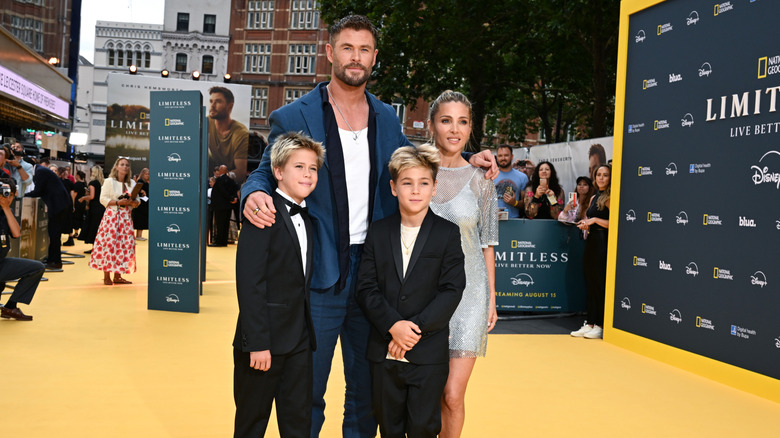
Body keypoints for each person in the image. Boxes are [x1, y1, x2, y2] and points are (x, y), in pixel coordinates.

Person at [240, 15, 497, 437]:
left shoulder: (387, 118)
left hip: (376, 277)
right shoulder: (293, 115)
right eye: (347, 48)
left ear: (373, 58)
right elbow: (265, 171)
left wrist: (469, 161)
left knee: (368, 392)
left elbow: (419, 166)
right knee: (307, 390)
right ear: (330, 53)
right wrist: (253, 193)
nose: (355, 58)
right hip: (318, 273)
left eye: (364, 50)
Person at [356, 144, 466, 438]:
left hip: (427, 353)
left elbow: (452, 290)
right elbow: (366, 288)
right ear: (393, 188)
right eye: (407, 183)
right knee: (388, 427)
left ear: (434, 187)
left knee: (424, 427)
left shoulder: (447, 233)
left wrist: (412, 330)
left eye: (423, 183)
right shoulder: (378, 232)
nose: (415, 191)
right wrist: (393, 326)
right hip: (384, 352)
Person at [233, 132, 324, 437]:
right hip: (263, 342)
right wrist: (258, 343)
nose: (307, 174)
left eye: (312, 168)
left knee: (298, 424)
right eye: (299, 167)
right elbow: (250, 283)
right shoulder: (262, 213)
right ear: (278, 172)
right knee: (252, 423)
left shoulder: (309, 219)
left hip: (299, 342)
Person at [425, 90, 498, 438]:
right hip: (423, 295)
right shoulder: (416, 171)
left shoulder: (483, 181)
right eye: (446, 120)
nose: (454, 129)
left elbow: (487, 244)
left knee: (453, 395)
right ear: (432, 125)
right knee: (427, 394)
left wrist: (492, 298)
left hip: (470, 297)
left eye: (463, 121)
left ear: (470, 129)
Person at [572, 165, 611, 340]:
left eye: (605, 175)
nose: (601, 178)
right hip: (592, 241)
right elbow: (591, 219)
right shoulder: (594, 197)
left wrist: (594, 220)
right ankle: (590, 322)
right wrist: (586, 223)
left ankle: (601, 324)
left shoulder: (611, 197)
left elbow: (615, 223)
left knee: (600, 284)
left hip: (604, 242)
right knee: (590, 282)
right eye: (599, 175)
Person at [88, 157, 139, 285]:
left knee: (124, 246)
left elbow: (137, 201)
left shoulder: (132, 183)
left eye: (127, 165)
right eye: (122, 164)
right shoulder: (109, 181)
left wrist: (133, 203)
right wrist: (118, 202)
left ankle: (118, 275)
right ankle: (106, 276)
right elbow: (102, 199)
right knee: (109, 245)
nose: (125, 167)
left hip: (126, 218)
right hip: (112, 218)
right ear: (116, 167)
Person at [0, 178, 45, 321]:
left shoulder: (7, 211)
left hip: (1, 262)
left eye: (8, 194)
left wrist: (6, 208)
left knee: (36, 268)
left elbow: (16, 233)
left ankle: (10, 306)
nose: (5, 196)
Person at [25, 158, 72, 270]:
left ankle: (55, 261)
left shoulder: (40, 171)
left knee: (54, 234)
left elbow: (38, 191)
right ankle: (53, 259)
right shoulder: (41, 170)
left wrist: (23, 195)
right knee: (54, 234)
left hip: (58, 206)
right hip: (60, 205)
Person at [208, 86, 249, 183]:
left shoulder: (240, 133)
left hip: (231, 185)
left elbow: (240, 172)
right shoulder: (206, 123)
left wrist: (218, 179)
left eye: (217, 102)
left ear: (230, 107)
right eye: (211, 101)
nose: (212, 106)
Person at [494, 145, 528, 218]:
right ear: (496, 158)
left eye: (506, 155)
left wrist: (514, 203)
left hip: (514, 221)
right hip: (493, 221)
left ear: (512, 156)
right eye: (500, 156)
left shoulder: (522, 177)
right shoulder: (490, 176)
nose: (503, 158)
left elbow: (526, 204)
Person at [79, 165, 106, 254]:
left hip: (95, 207)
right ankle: (100, 247)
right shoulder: (103, 183)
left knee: (93, 227)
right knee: (99, 227)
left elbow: (92, 196)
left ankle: (94, 248)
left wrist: (83, 198)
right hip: (102, 206)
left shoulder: (92, 183)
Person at [210, 165, 238, 247]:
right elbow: (234, 189)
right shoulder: (230, 180)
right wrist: (233, 199)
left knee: (219, 225)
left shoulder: (219, 180)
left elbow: (222, 192)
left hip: (220, 206)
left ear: (221, 170)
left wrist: (231, 198)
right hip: (228, 206)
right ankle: (224, 242)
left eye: (219, 169)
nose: (218, 171)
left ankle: (219, 242)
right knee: (225, 224)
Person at [132, 168, 149, 241]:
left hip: (144, 203)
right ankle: (138, 236)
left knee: (142, 219)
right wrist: (142, 192)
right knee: (140, 219)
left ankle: (139, 235)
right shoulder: (140, 181)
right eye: (146, 174)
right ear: (142, 174)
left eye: (148, 174)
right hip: (140, 205)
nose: (148, 176)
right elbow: (136, 191)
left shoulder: (145, 181)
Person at [72, 170, 87, 241]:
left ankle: (76, 232)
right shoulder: (85, 184)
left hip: (78, 202)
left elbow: (74, 196)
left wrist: (73, 204)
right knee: (81, 217)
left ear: (78, 175)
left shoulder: (77, 184)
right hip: (83, 203)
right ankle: (80, 232)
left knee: (76, 217)